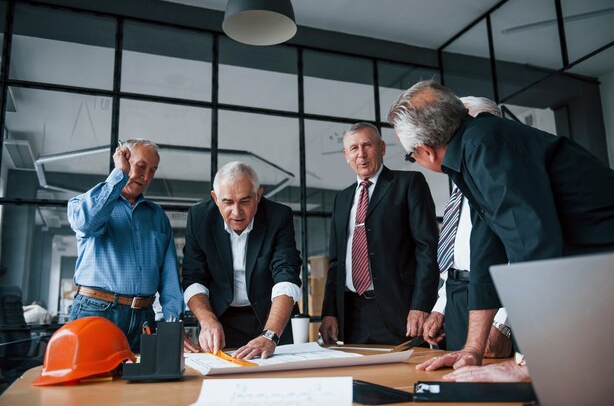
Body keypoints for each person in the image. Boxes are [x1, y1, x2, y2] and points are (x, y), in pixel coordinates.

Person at [387, 80, 614, 374]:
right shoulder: (474, 148)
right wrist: (472, 349)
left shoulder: (486, 147)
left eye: (411, 156)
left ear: (426, 150)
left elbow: (533, 250)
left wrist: (528, 363)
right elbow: (486, 249)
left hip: (612, 260)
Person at [320, 122, 439, 345]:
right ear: (346, 155)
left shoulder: (409, 184)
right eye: (354, 148)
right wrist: (330, 312)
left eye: (368, 145)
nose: (361, 154)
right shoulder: (342, 199)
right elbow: (335, 262)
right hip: (351, 315)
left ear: (382, 148)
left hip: (400, 312)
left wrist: (421, 305)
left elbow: (428, 249)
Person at [67, 139, 184, 352]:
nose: (146, 176)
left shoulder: (157, 216)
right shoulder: (83, 203)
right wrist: (119, 174)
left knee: (142, 384)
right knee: (91, 384)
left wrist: (172, 323)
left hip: (143, 319)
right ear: (124, 159)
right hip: (96, 311)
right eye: (141, 167)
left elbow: (169, 277)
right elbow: (87, 223)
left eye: (152, 171)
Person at [182, 161, 302, 360]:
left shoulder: (278, 217)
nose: (237, 212)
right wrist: (207, 320)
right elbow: (194, 278)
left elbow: (286, 275)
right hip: (221, 318)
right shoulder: (199, 218)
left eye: (245, 201)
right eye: (228, 202)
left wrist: (270, 334)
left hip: (271, 316)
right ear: (215, 198)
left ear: (258, 195)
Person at [422, 96, 511, 357]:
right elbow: (455, 258)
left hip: (498, 301)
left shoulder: (503, 184)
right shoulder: (460, 187)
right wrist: (440, 308)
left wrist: (503, 323)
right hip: (457, 296)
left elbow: (524, 256)